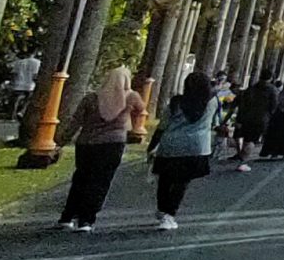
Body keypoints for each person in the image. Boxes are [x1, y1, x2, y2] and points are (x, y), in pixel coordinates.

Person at [58, 67, 144, 231]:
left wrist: (61, 141)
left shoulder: (91, 98)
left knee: (81, 179)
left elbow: (75, 121)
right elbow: (141, 110)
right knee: (101, 181)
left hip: (86, 143)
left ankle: (67, 216)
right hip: (113, 144)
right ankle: (86, 220)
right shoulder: (131, 97)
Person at [148, 70, 218, 231]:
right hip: (196, 146)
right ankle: (170, 214)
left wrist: (152, 146)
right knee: (181, 182)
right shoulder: (211, 102)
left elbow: (162, 125)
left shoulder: (176, 102)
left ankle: (162, 208)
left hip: (170, 145)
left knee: (165, 180)